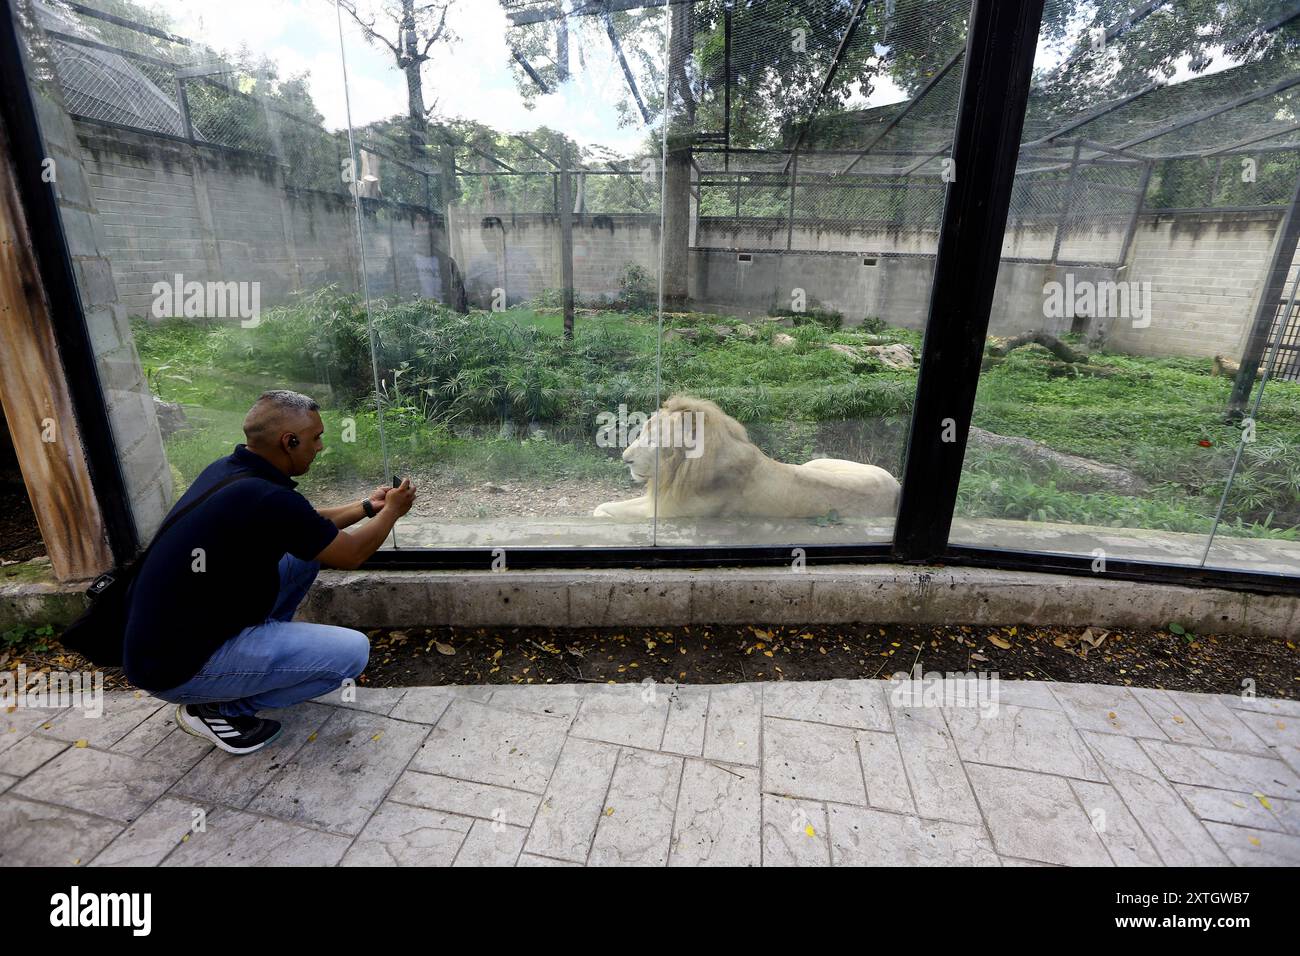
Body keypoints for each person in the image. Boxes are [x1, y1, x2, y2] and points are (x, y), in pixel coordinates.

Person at [123, 389, 417, 755]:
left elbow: (305, 525)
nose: (321, 447)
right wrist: (393, 512)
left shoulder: (232, 471)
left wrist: (367, 508)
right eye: (315, 438)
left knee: (303, 557)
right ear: (289, 441)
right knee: (351, 655)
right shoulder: (266, 497)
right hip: (176, 667)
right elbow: (351, 554)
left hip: (174, 633)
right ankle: (220, 708)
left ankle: (257, 653)